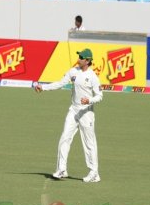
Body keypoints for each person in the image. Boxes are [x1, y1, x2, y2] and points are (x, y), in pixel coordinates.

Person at [34, 48, 103, 183]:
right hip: (73, 110)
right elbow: (60, 83)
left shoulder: (93, 77)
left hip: (86, 113)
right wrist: (43, 87)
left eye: (82, 57)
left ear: (88, 61)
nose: (79, 59)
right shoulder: (73, 72)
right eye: (79, 56)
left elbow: (100, 96)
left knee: (89, 143)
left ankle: (94, 173)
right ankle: (62, 169)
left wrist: (89, 100)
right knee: (65, 137)